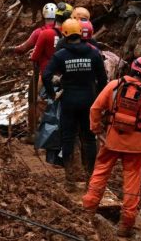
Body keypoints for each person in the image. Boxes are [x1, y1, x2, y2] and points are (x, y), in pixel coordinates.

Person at [83, 56, 141, 237]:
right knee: (132, 183)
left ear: (132, 68)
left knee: (100, 173)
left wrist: (96, 129)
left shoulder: (114, 86)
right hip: (134, 147)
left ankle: (88, 210)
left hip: (111, 141)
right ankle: (126, 223)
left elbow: (95, 109)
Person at [43, 19, 107, 190]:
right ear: (80, 33)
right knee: (88, 139)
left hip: (68, 102)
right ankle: (90, 179)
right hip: (89, 101)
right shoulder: (94, 54)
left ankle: (69, 180)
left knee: (68, 139)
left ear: (64, 34)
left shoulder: (61, 55)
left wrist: (52, 93)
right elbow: (103, 80)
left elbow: (46, 75)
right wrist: (99, 101)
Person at [15, 2, 60, 132]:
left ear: (43, 15)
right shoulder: (64, 31)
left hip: (43, 72)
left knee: (32, 100)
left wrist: (13, 49)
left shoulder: (40, 32)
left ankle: (32, 132)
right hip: (62, 72)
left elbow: (24, 48)